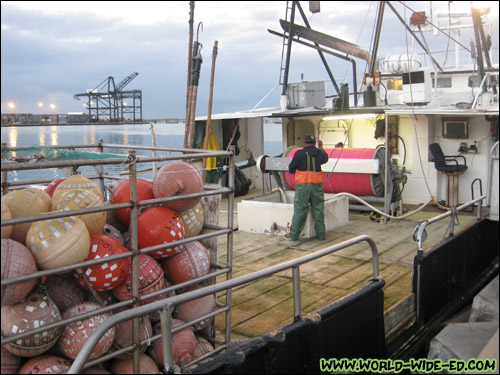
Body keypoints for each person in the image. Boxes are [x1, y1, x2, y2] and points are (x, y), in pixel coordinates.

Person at [284, 133, 329, 241]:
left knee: (300, 210)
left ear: (305, 143)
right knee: (318, 209)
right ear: (314, 143)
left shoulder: (299, 153)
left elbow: (291, 169)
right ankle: (321, 235)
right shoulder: (319, 153)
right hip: (316, 186)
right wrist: (321, 147)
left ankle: (294, 235)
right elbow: (325, 158)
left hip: (302, 186)